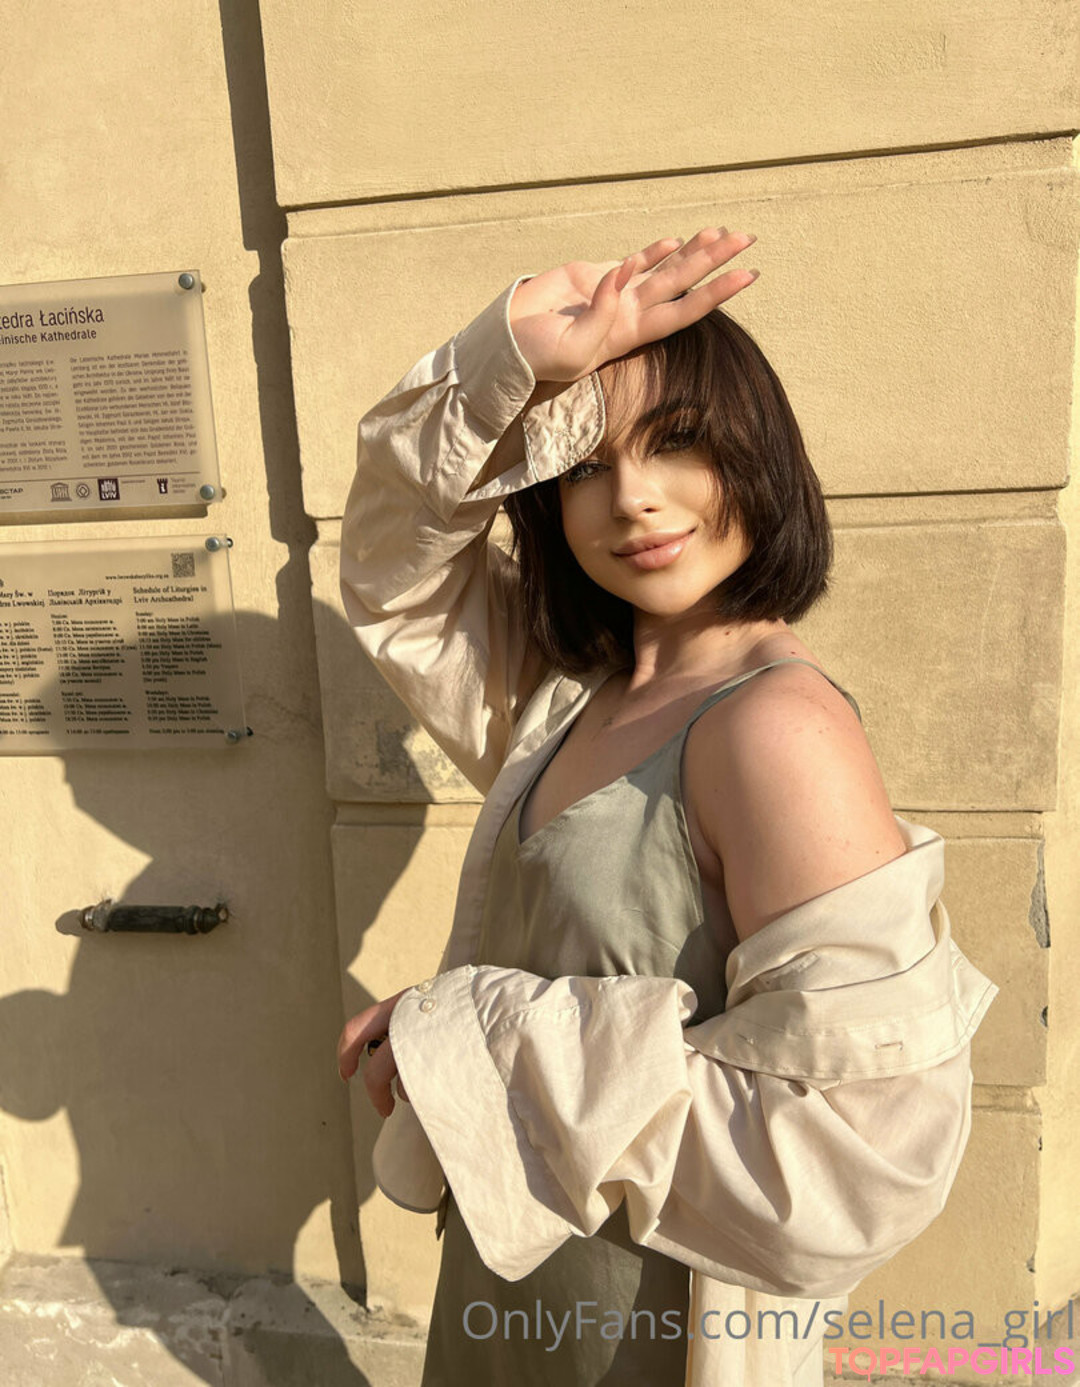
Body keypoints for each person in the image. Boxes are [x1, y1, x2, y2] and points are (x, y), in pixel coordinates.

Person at [336, 229, 998, 1387]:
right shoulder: (567, 694)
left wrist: (470, 1030)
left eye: (679, 442)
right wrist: (508, 357)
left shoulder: (775, 730)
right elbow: (394, 567)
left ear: (756, 453)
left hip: (647, 1332)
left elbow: (860, 1156)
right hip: (507, 1295)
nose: (634, 497)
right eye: (586, 464)